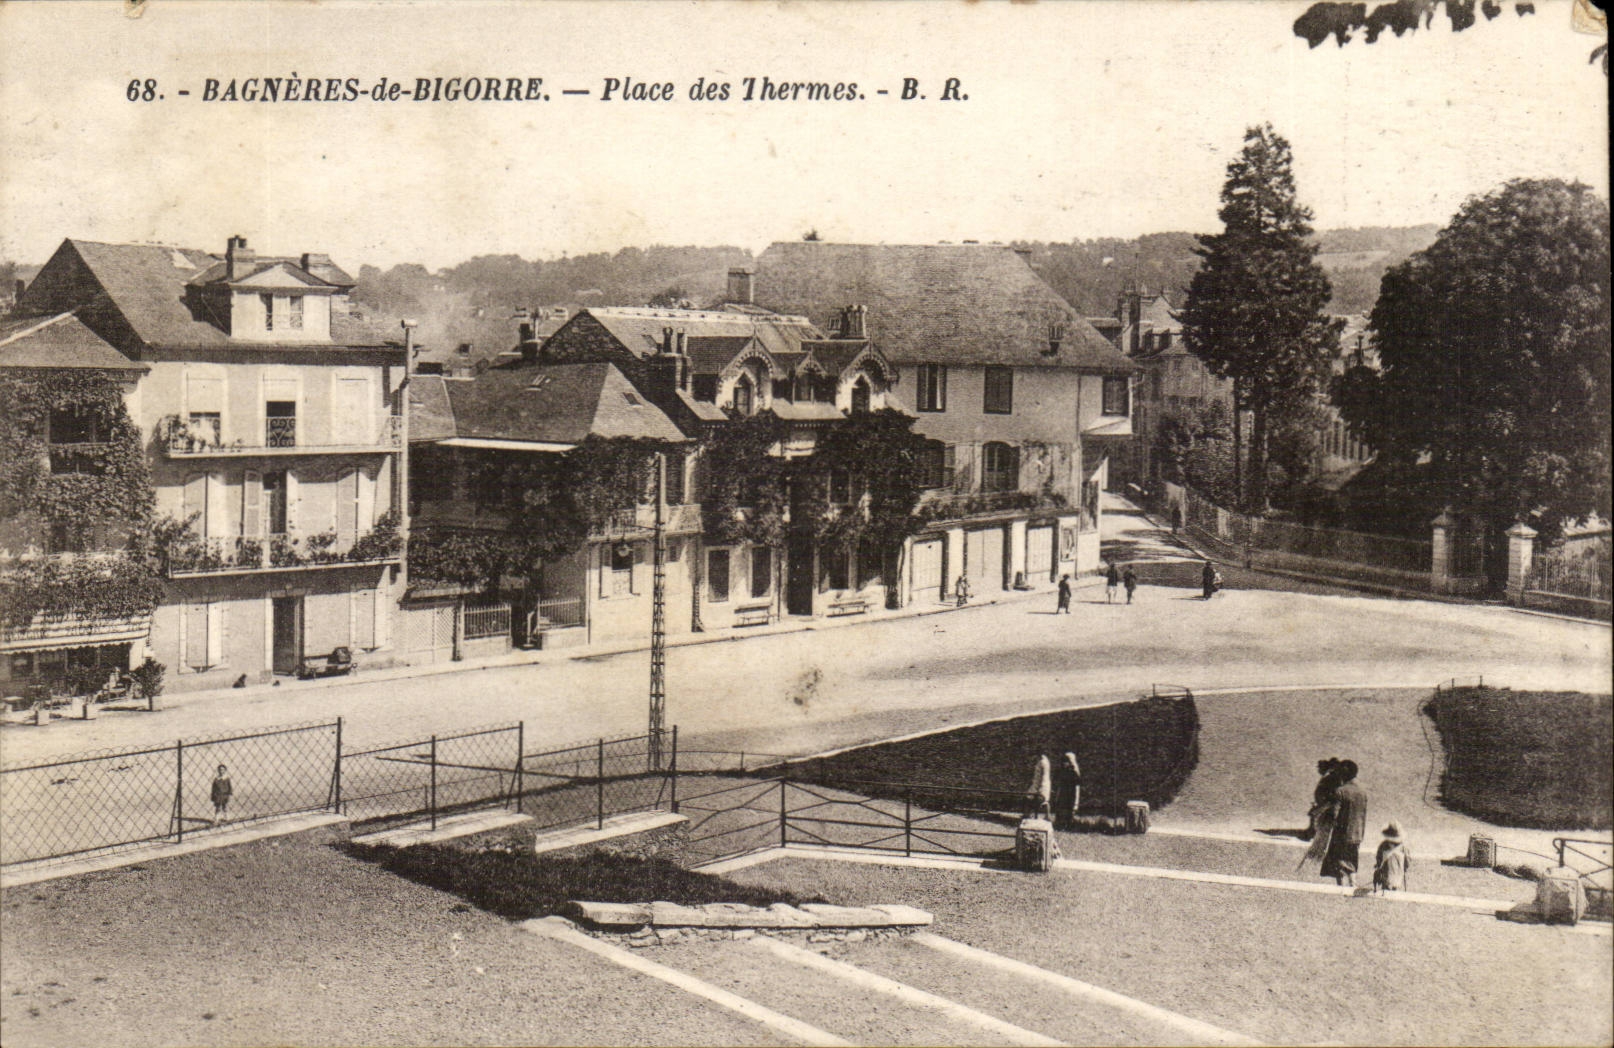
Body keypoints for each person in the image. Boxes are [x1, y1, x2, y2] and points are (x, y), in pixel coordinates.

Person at [1321, 760, 1368, 888]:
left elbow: (1334, 814)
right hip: (1357, 834)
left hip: (1342, 835)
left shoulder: (1340, 791)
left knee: (1339, 863)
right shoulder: (1362, 791)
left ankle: (1341, 889)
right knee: (1352, 862)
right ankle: (1353, 885)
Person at [1305, 757, 1342, 841]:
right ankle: (1313, 832)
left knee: (1316, 815)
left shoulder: (1332, 777)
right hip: (1324, 801)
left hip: (1328, 802)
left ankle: (1313, 833)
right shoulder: (1329, 776)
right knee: (1315, 815)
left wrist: (1325, 801)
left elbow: (1332, 790)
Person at [1373, 821, 1411, 893]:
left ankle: (1386, 886)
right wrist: (1405, 868)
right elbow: (1407, 861)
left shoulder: (1383, 845)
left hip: (1385, 873)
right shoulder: (1404, 847)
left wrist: (1378, 866)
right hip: (1399, 874)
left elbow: (1379, 858)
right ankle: (1395, 887)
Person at [1050, 751, 1082, 828]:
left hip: (1070, 793)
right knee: (1060, 808)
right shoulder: (1062, 771)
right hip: (1063, 793)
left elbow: (1077, 786)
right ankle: (1059, 823)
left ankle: (1068, 824)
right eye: (1064, 761)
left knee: (1069, 810)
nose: (1064, 763)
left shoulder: (1074, 772)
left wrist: (1076, 802)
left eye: (1066, 761)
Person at [1026, 753, 1052, 820]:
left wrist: (1040, 787)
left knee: (1039, 799)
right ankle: (1028, 814)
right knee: (1030, 797)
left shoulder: (1043, 762)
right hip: (1038, 783)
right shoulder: (1041, 761)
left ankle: (1047, 816)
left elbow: (1043, 775)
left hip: (1042, 784)